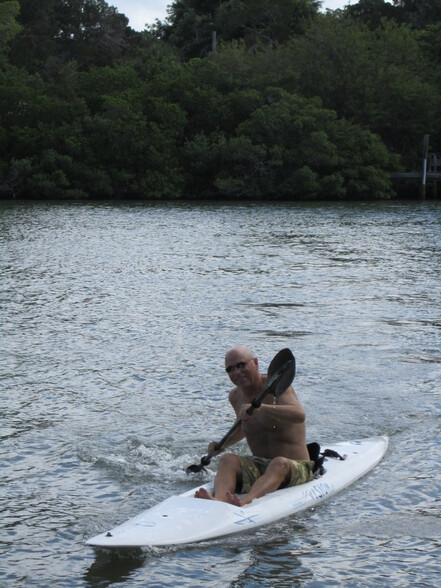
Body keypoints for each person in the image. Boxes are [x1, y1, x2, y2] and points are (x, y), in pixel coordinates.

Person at [194, 345, 314, 506]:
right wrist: (222, 445)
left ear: (256, 363)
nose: (236, 372)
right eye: (230, 369)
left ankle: (245, 502)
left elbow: (299, 414)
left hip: (296, 466)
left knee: (279, 462)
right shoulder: (235, 396)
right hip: (260, 467)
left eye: (241, 365)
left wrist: (262, 409)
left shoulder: (279, 388)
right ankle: (220, 500)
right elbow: (243, 427)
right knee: (227, 459)